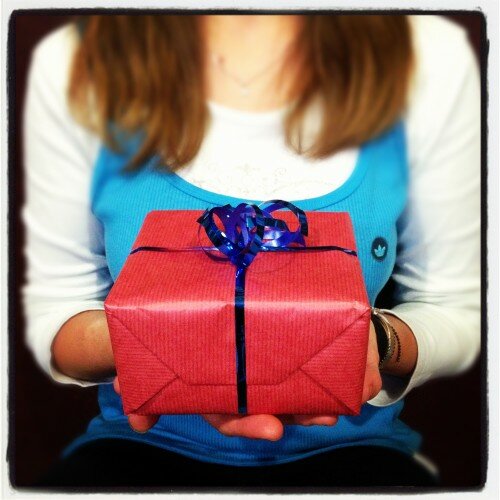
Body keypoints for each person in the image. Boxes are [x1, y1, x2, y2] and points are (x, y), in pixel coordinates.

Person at [22, 14, 480, 487]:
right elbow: (58, 314)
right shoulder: (78, 59)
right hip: (141, 445)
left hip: (357, 448)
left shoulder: (428, 56)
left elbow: (454, 310)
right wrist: (158, 343)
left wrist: (378, 342)